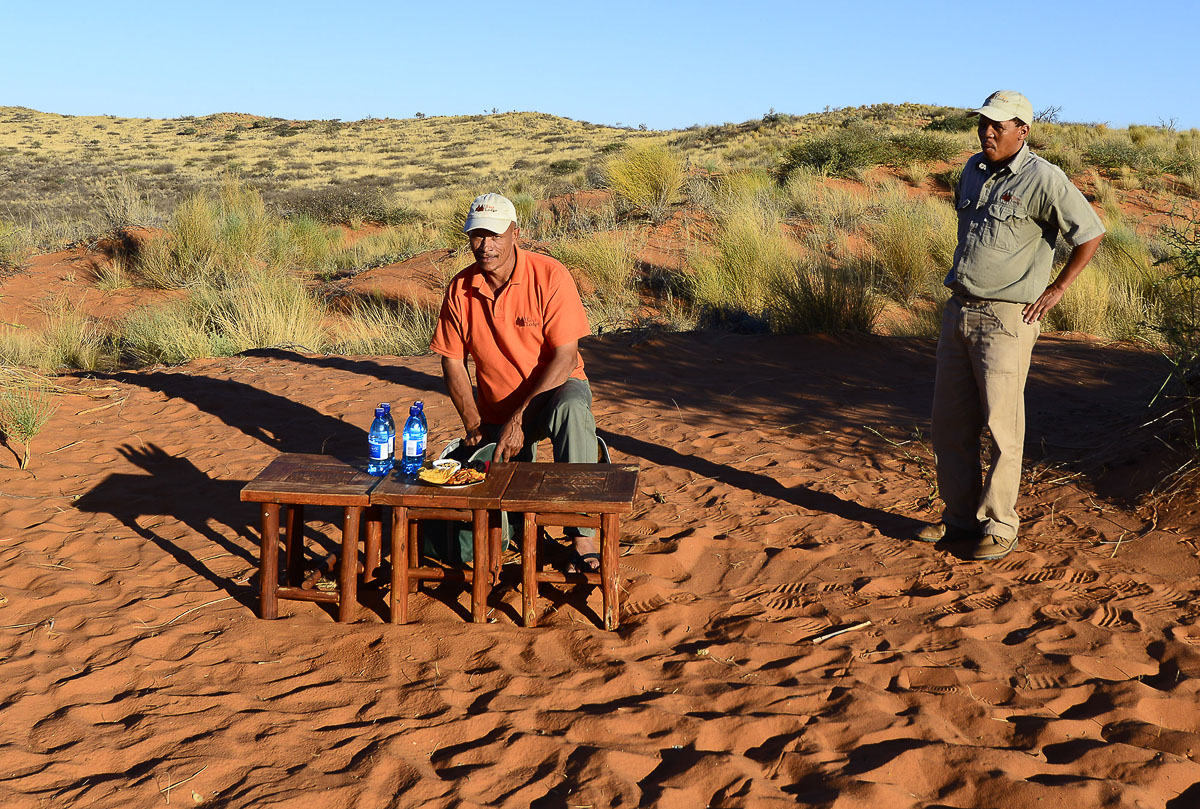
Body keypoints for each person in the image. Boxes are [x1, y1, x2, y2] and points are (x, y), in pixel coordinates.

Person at [918, 90, 1105, 561]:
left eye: (998, 125)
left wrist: (1057, 288)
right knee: (949, 425)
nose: (987, 132)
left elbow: (1091, 232)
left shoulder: (1045, 178)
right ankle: (959, 519)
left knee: (1003, 427)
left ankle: (999, 526)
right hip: (958, 310)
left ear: (1023, 130)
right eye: (984, 123)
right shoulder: (972, 170)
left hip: (1006, 317)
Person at [430, 193, 600, 570]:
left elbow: (565, 357)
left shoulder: (549, 275)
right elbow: (452, 361)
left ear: (515, 233)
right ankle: (503, 537)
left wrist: (520, 419)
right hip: (496, 409)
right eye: (477, 236)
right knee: (474, 468)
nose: (485, 246)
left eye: (494, 235)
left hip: (553, 391)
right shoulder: (460, 288)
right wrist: (473, 424)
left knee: (572, 407)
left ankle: (584, 536)